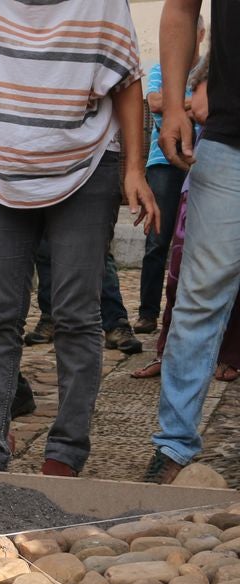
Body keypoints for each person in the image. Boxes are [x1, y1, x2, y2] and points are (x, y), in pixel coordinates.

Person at [0, 0, 157, 478]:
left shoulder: (102, 4)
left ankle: (66, 453)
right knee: (0, 315)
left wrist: (134, 168)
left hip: (86, 168)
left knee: (76, 314)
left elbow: (127, 83)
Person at [149, 0, 240, 484]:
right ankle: (174, 447)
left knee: (199, 300)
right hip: (229, 140)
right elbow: (181, 8)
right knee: (199, 298)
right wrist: (176, 98)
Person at [133, 57, 240, 384]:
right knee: (178, 271)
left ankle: (229, 356)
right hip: (197, 181)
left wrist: (184, 104)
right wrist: (193, 103)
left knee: (231, 273)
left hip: (222, 179)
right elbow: (175, 106)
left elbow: (195, 109)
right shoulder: (207, 67)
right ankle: (167, 353)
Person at [136, 17, 207, 336]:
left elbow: (209, 109)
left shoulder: (211, 69)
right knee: (157, 241)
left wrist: (175, 104)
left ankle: (184, 314)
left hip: (200, 162)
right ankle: (148, 313)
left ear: (201, 34)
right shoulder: (159, 69)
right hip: (161, 162)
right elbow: (154, 102)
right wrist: (191, 104)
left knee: (195, 243)